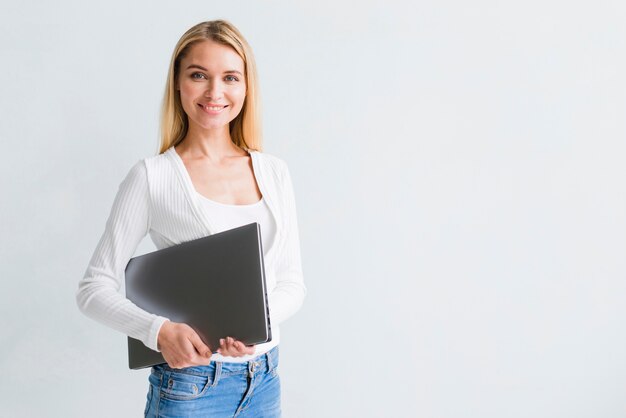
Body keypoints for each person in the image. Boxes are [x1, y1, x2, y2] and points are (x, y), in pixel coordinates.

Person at [76, 19, 306, 417]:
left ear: (246, 87)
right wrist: (159, 332)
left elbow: (291, 282)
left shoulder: (274, 171)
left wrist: (257, 328)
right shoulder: (153, 177)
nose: (215, 92)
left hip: (264, 380)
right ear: (178, 84)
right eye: (199, 75)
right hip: (191, 387)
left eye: (230, 77)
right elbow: (93, 289)